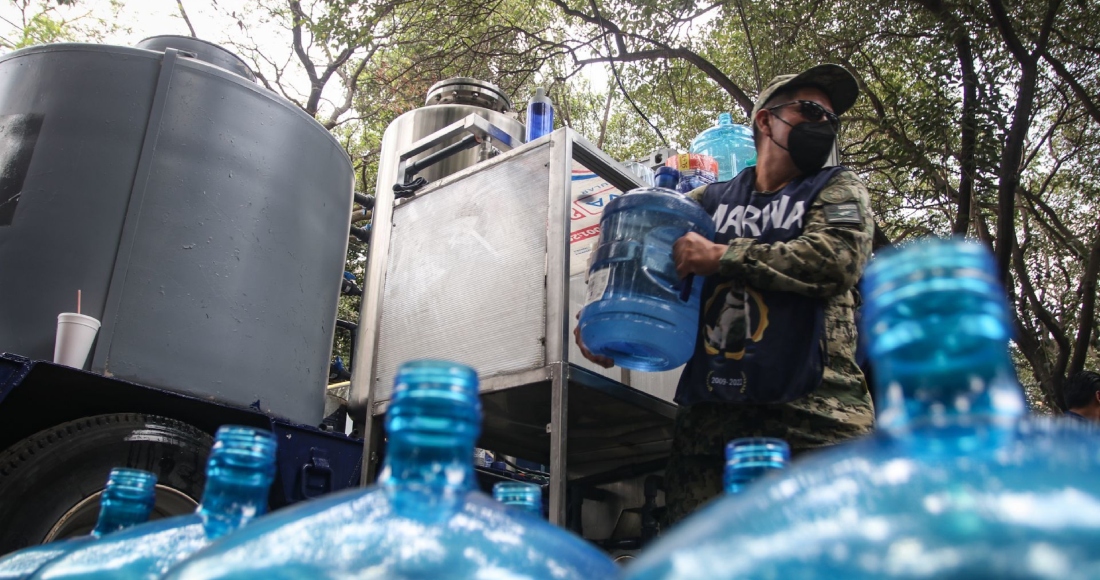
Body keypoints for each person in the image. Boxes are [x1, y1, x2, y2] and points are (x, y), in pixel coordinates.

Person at [575, 64, 876, 524]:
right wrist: (605, 320)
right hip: (712, 438)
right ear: (765, 120)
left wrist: (722, 256)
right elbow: (644, 257)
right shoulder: (708, 203)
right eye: (811, 111)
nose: (824, 126)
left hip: (818, 425)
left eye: (831, 120)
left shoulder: (836, 187)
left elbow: (833, 260)